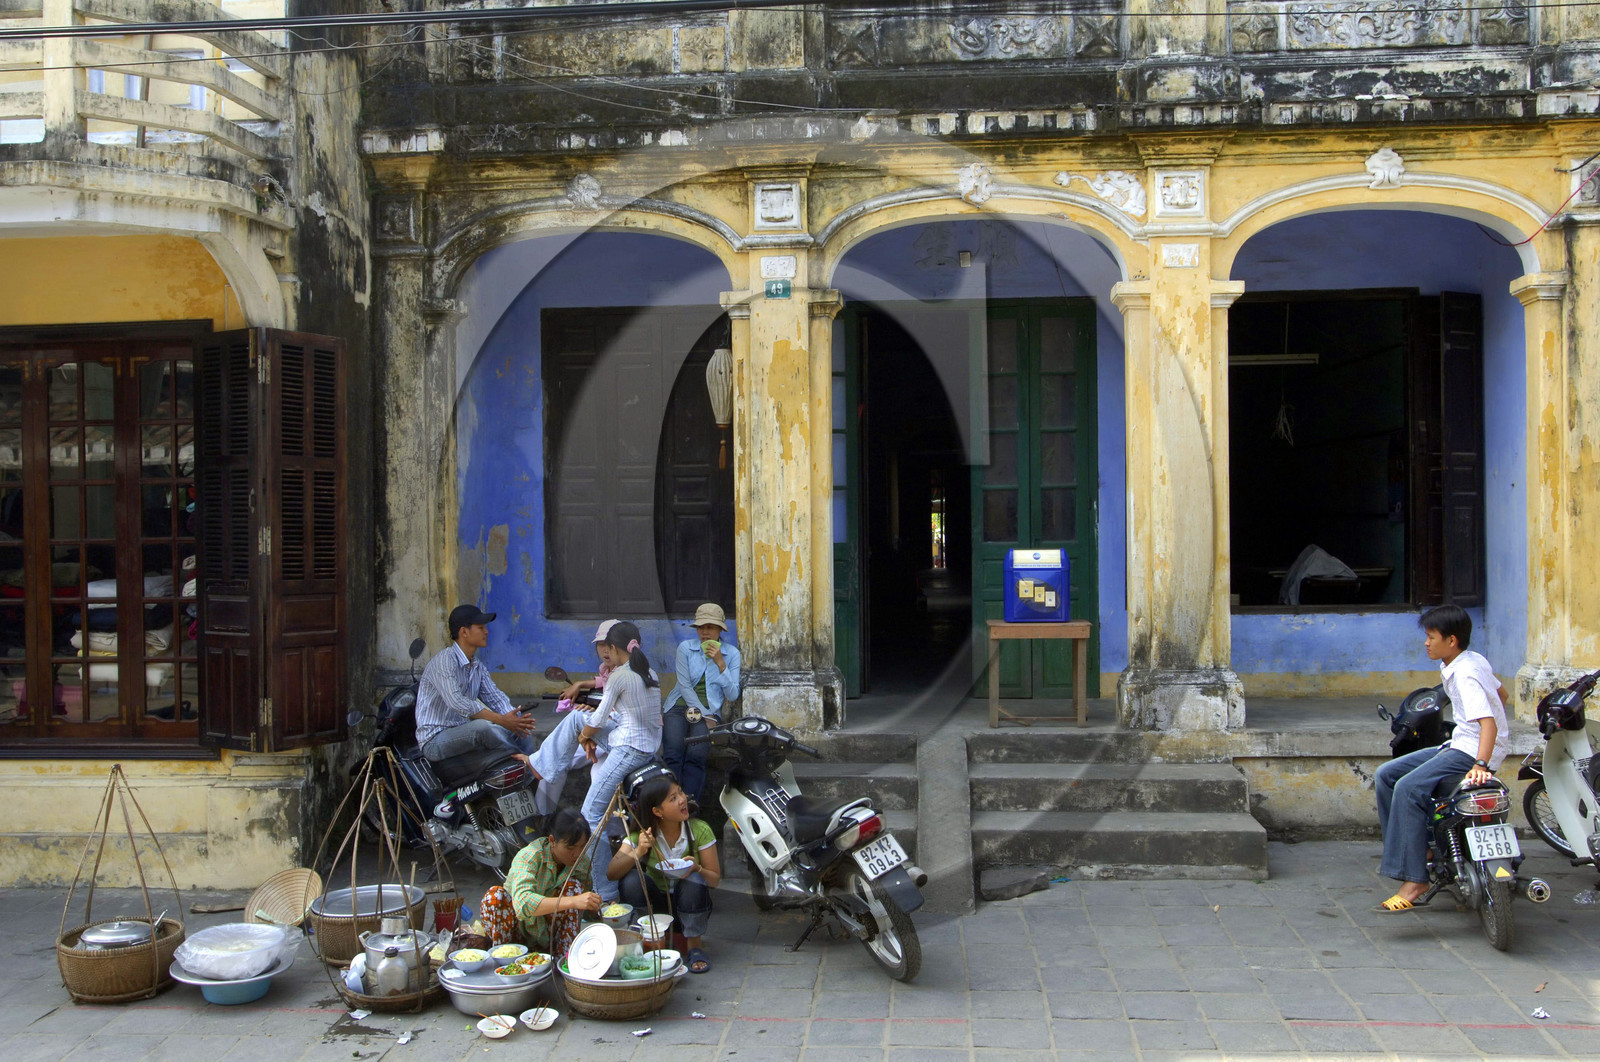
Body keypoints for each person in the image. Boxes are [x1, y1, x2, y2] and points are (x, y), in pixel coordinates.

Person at [1374, 604, 1511, 912]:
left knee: (1408, 788)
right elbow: (1502, 697)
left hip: (1470, 752)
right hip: (1461, 742)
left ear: (1451, 640)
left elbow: (1488, 722)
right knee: (1386, 775)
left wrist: (1481, 764)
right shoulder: (1470, 660)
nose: (1426, 643)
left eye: (1431, 637)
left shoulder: (1464, 674)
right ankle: (1420, 850)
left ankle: (1415, 880)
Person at [527, 621, 663, 897]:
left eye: (606, 647)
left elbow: (599, 719)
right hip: (642, 743)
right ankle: (545, 765)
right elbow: (602, 719)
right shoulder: (648, 672)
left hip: (629, 749)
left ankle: (605, 892)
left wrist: (584, 738)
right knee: (578, 717)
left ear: (614, 648)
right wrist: (587, 734)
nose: (604, 652)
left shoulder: (620, 676)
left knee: (591, 817)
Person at [608, 771, 720, 974]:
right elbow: (612, 872)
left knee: (694, 879)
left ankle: (694, 947)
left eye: (681, 793)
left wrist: (697, 868)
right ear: (658, 811)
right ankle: (645, 941)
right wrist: (638, 852)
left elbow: (714, 881)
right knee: (632, 879)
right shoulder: (642, 835)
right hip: (654, 911)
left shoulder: (699, 830)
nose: (682, 800)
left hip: (687, 906)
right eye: (673, 798)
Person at [414, 604, 537, 766]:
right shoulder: (444, 661)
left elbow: (496, 698)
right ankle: (520, 764)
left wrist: (514, 720)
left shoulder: (477, 666)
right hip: (435, 739)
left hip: (463, 731)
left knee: (522, 732)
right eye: (480, 627)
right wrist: (500, 719)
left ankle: (534, 774)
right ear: (464, 632)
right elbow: (457, 702)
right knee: (484, 728)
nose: (486, 632)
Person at [661, 603, 742, 802]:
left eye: (710, 627)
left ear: (720, 630)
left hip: (709, 711)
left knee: (696, 754)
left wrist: (720, 663)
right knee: (672, 753)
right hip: (680, 706)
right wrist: (704, 715)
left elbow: (732, 694)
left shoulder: (732, 654)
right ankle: (670, 803)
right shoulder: (686, 649)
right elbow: (685, 686)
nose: (704, 632)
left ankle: (689, 803)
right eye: (701, 627)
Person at [501, 809, 604, 958]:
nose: (577, 854)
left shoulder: (581, 863)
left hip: (549, 935)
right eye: (570, 848)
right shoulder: (530, 856)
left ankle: (563, 959)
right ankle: (506, 962)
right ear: (552, 841)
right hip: (519, 931)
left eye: (582, 847)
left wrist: (595, 907)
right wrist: (573, 901)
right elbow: (523, 904)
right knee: (494, 897)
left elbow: (583, 907)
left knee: (574, 888)